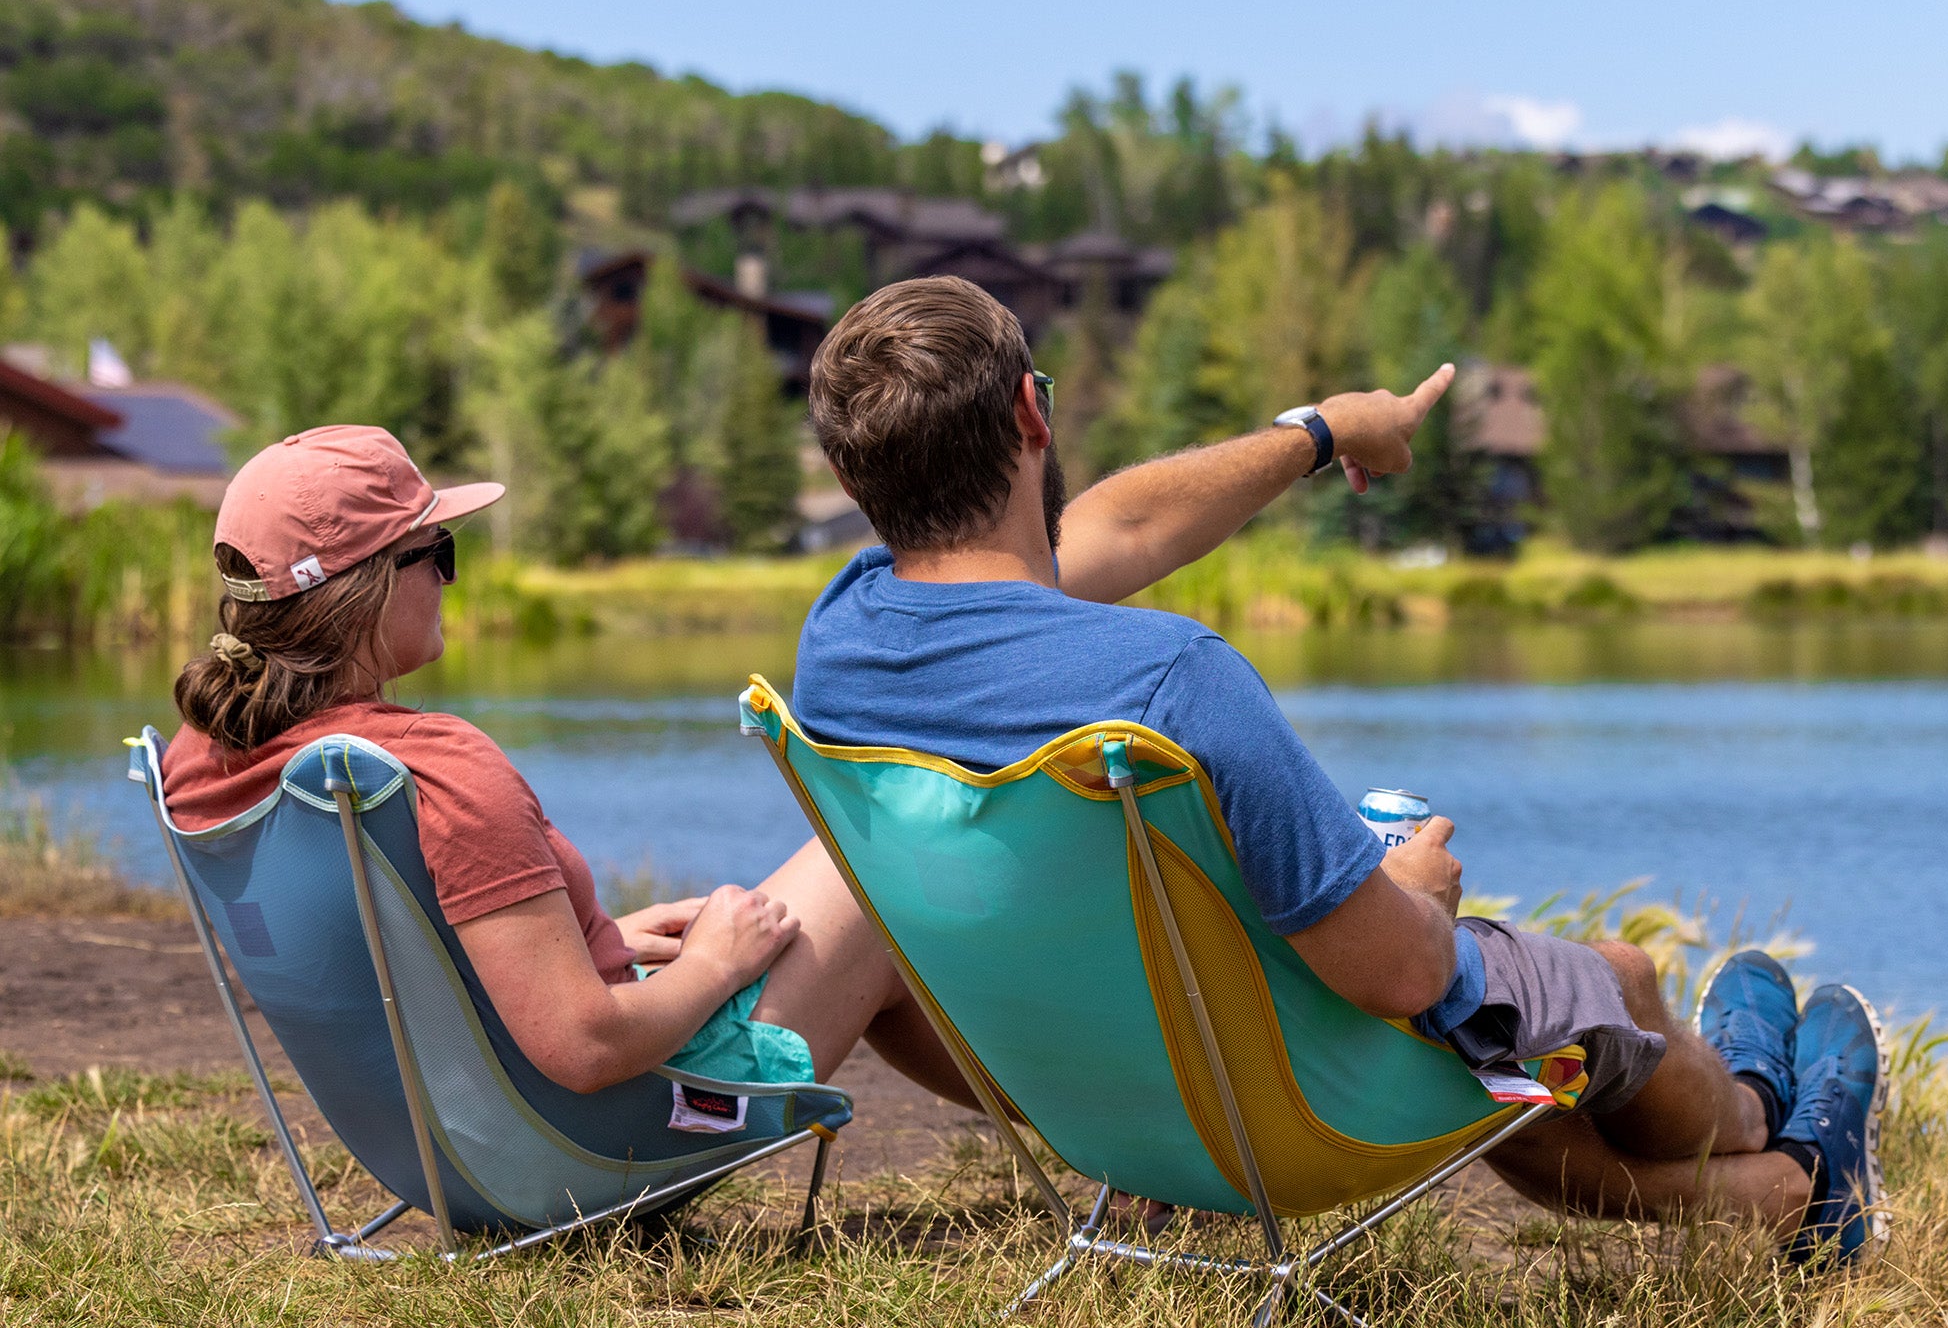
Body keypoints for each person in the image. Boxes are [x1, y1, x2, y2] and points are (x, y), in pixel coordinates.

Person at [791, 277, 1888, 1265]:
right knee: (1610, 983)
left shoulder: (841, 641)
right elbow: (1398, 978)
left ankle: (1784, 1196)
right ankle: (1769, 1112)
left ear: (850, 471)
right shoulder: (1172, 678)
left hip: (1120, 1100)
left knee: (1528, 1048)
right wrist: (1414, 892)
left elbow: (1106, 530)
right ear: (1031, 414)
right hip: (1290, 1101)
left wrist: (1318, 433)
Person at [163, 424, 976, 1117]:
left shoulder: (204, 756)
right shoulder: (440, 769)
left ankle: (1078, 1147)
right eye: (435, 552)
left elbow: (388, 962)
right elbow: (586, 1049)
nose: (448, 579)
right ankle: (1087, 1138)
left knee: (848, 907)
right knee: (879, 862)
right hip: (602, 1135)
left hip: (441, 1144)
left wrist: (591, 944)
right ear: (367, 588)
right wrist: (712, 964)